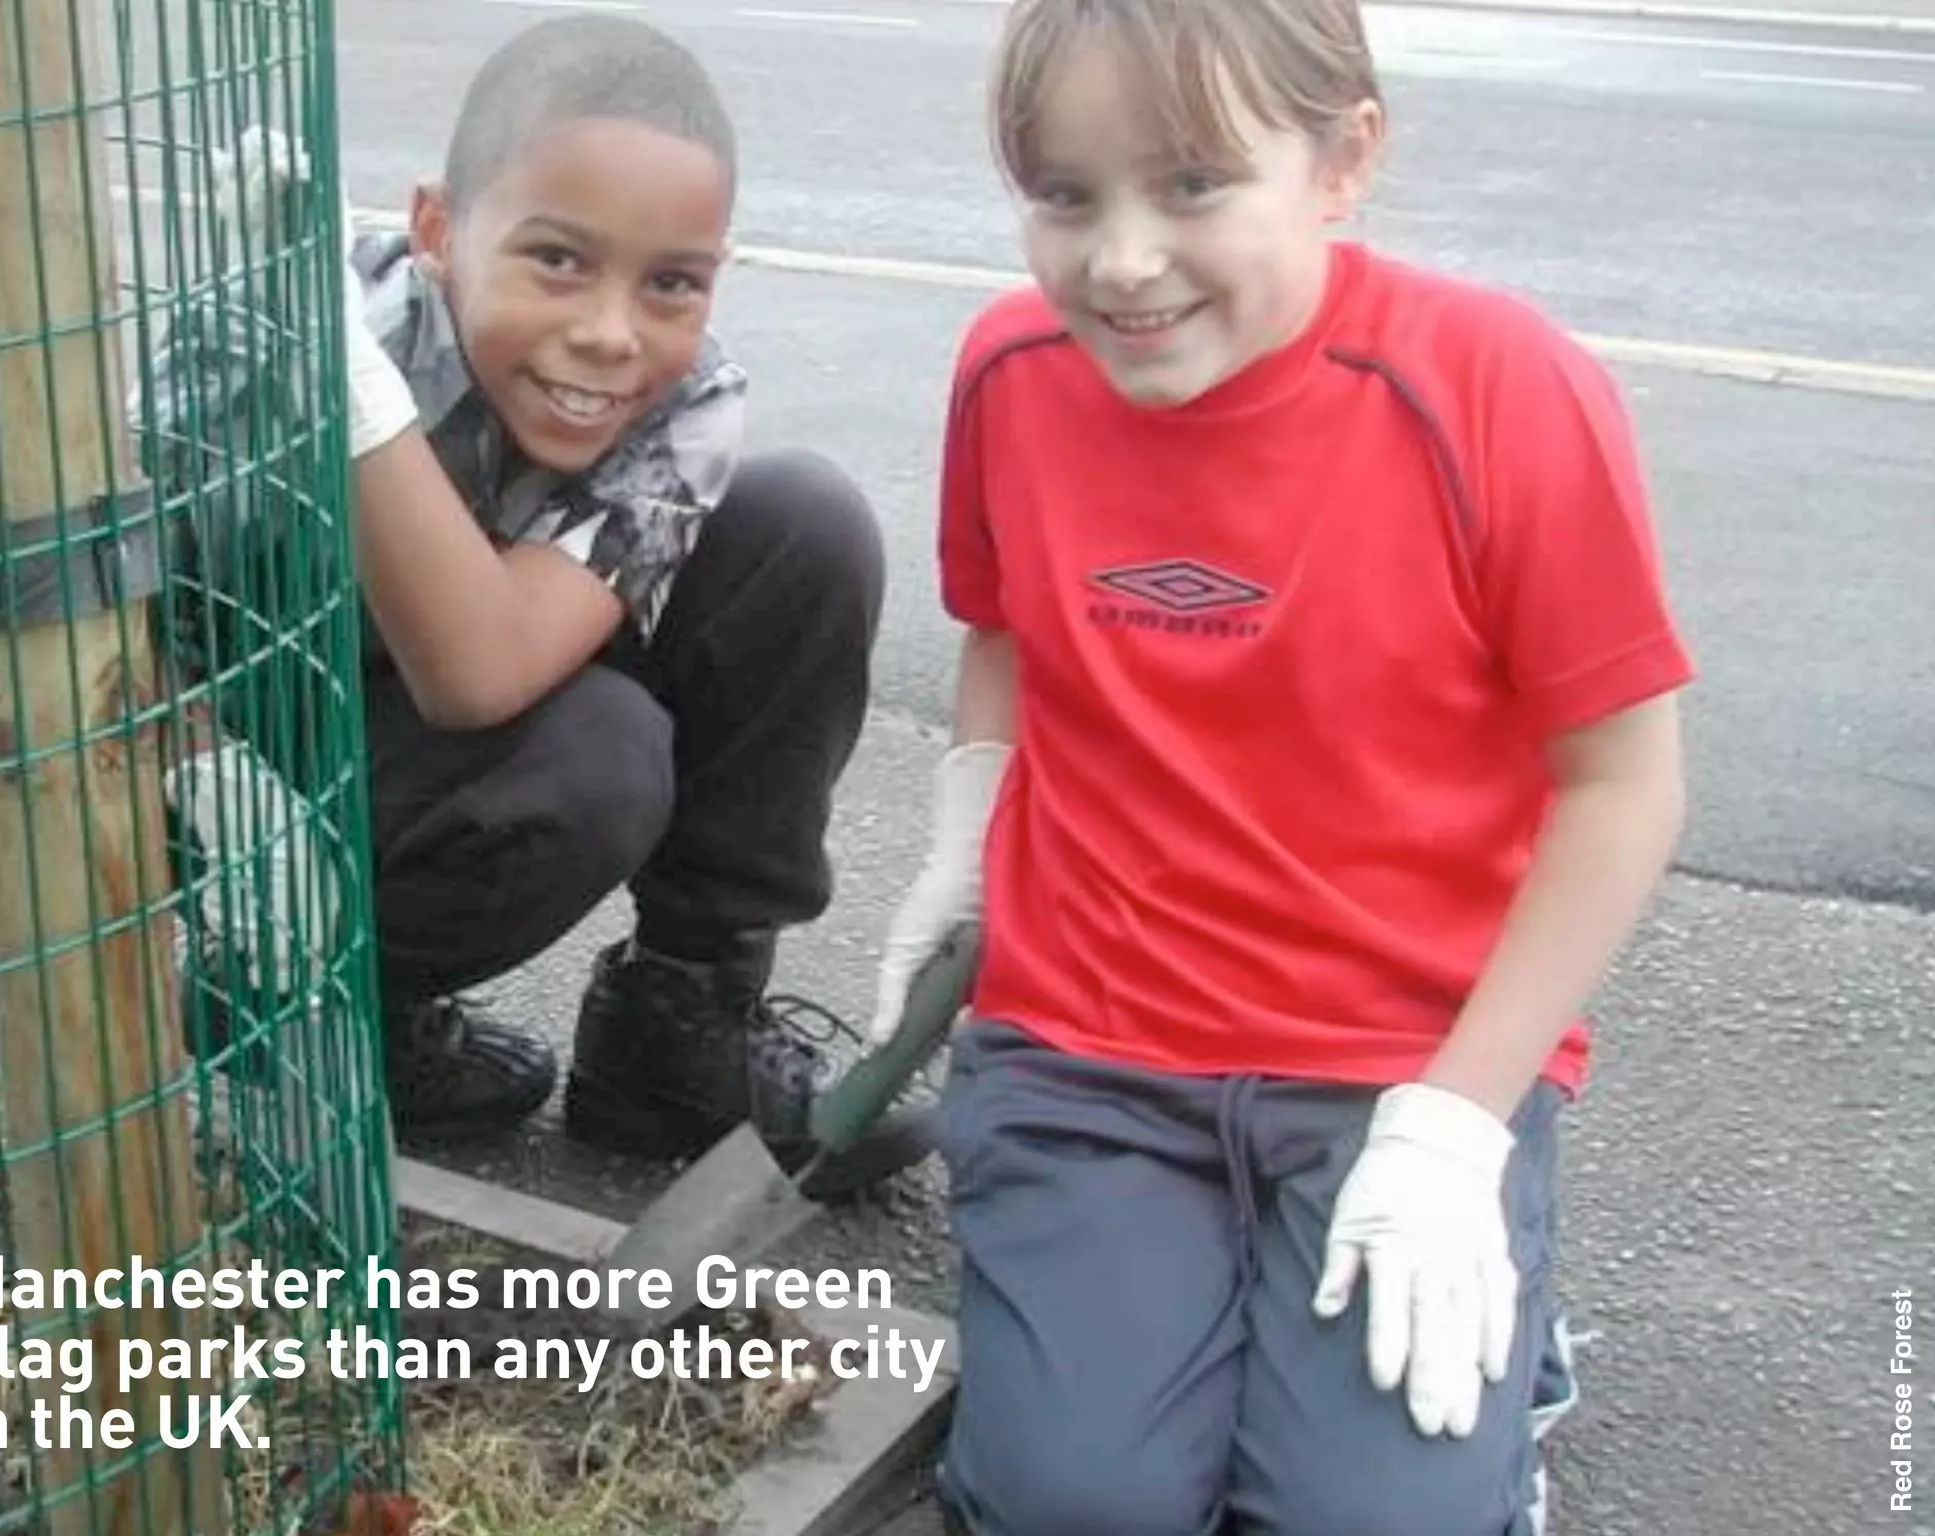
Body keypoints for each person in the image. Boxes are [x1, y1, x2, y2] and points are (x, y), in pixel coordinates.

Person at [865, 0, 1694, 1527]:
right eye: (1065, 194)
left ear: (1341, 160)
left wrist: (1456, 1127)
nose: (1120, 260)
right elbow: (1004, 629)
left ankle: (1511, 1333)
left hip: (1402, 1058)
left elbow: (1622, 785)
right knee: (1074, 1505)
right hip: (1093, 1046)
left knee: (1361, 1516)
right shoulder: (1011, 368)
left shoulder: (1501, 389)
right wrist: (965, 837)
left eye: (1191, 183)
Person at [151, 14, 931, 1196]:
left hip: (447, 706)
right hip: (245, 797)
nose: (609, 332)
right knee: (592, 761)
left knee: (799, 529)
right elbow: (104, 621)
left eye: (670, 281)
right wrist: (204, 776)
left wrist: (351, 403)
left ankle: (676, 1024)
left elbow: (483, 665)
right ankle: (334, 1005)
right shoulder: (287, 325)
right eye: (556, 259)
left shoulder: (687, 397)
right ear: (436, 231)